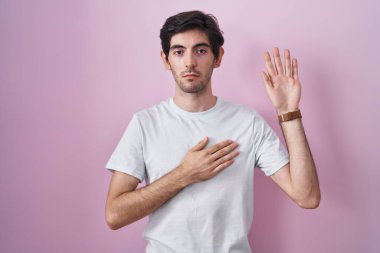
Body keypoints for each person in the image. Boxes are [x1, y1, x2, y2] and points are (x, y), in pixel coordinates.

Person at [104, 10, 320, 253]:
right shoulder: (145, 123)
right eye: (178, 52)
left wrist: (288, 112)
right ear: (166, 60)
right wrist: (184, 174)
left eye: (201, 50)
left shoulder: (248, 122)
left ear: (218, 57)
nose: (189, 62)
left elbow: (307, 196)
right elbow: (114, 214)